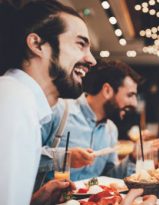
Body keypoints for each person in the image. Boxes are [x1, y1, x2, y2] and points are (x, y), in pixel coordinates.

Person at [0, 1, 96, 204]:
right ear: (37, 45)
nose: (91, 60)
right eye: (80, 44)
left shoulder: (19, 99)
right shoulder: (15, 102)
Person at [41, 60, 142, 181]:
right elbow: (23, 155)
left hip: (90, 200)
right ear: (107, 90)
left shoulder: (111, 130)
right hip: (50, 200)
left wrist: (132, 158)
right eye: (130, 95)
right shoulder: (59, 110)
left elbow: (108, 178)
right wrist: (64, 158)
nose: (135, 103)